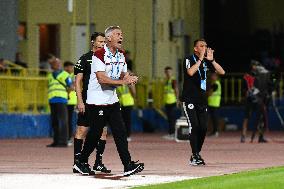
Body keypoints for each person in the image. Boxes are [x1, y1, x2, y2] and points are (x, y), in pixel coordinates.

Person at [74, 26, 144, 176]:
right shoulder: (99, 55)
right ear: (109, 38)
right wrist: (124, 82)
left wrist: (130, 78)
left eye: (122, 34)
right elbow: (102, 79)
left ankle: (128, 165)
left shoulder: (121, 54)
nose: (121, 37)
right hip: (96, 101)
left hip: (112, 100)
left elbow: (124, 74)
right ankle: (81, 161)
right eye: (118, 34)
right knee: (95, 134)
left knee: (120, 132)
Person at [182, 38, 225, 165]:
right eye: (201, 46)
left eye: (206, 46)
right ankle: (195, 155)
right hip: (189, 98)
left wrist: (212, 60)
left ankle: (196, 153)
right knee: (194, 126)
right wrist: (200, 59)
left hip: (202, 99)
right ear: (195, 48)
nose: (204, 48)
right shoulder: (188, 59)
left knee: (204, 128)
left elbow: (222, 72)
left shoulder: (206, 61)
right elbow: (190, 72)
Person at [73, 32, 111, 173]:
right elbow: (77, 82)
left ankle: (98, 162)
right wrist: (80, 101)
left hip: (102, 102)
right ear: (92, 42)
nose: (102, 44)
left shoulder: (106, 59)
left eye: (104, 42)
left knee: (103, 131)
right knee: (82, 130)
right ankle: (77, 163)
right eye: (100, 41)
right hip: (88, 101)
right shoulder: (84, 59)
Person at [47, 55, 73, 147]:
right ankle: (56, 141)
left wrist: (67, 95)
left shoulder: (65, 75)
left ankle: (63, 141)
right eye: (54, 63)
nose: (56, 65)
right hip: (52, 100)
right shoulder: (49, 75)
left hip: (61, 100)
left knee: (63, 121)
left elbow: (71, 87)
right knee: (54, 121)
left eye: (58, 63)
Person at [240, 60, 269, 143]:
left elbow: (262, 87)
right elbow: (243, 88)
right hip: (249, 99)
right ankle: (243, 136)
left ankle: (260, 136)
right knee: (246, 118)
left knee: (261, 118)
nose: (257, 67)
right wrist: (245, 92)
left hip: (258, 99)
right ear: (252, 66)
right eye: (256, 66)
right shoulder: (246, 76)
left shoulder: (260, 76)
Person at [163, 66, 179, 140]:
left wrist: (177, 100)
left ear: (171, 72)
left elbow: (176, 90)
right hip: (167, 102)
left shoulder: (173, 81)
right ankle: (171, 133)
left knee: (172, 119)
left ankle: (172, 134)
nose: (168, 73)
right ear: (165, 73)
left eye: (169, 72)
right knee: (169, 119)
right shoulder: (166, 81)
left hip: (172, 102)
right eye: (167, 72)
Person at [63, 61, 77, 145]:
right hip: (66, 100)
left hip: (70, 101)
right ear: (66, 67)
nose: (72, 69)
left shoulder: (72, 76)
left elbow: (72, 87)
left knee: (68, 120)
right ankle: (65, 138)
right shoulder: (65, 75)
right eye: (71, 67)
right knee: (65, 120)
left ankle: (68, 138)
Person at [207, 72, 222, 137]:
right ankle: (213, 131)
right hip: (212, 103)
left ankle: (215, 132)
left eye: (213, 76)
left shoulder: (215, 84)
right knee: (212, 118)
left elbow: (209, 93)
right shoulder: (214, 83)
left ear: (216, 77)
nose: (211, 77)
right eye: (211, 76)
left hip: (214, 103)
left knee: (214, 118)